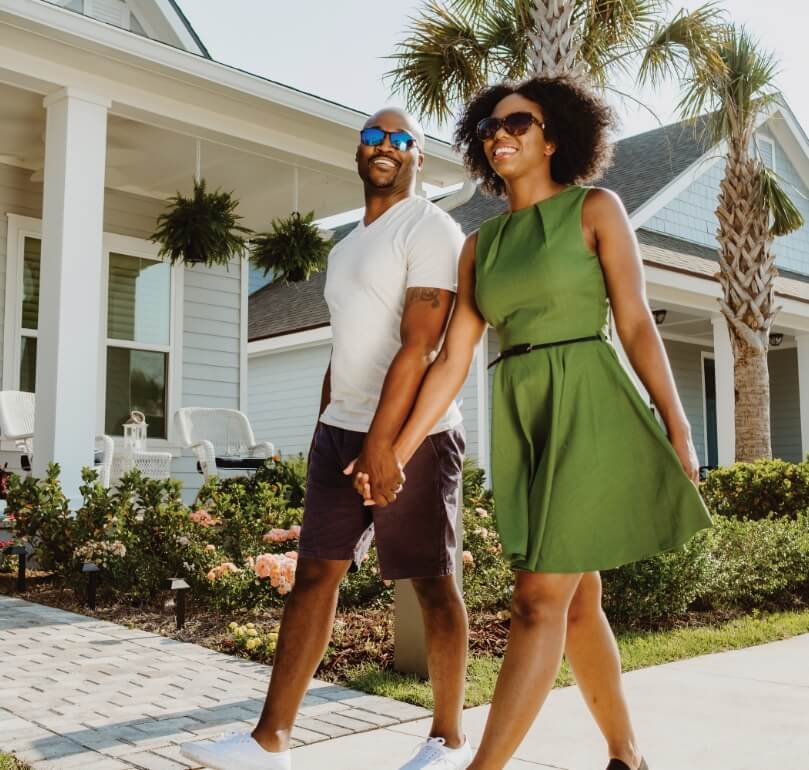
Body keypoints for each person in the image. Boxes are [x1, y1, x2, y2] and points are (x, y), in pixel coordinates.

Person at [353, 77, 712, 770]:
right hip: (523, 411)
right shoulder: (478, 248)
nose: (500, 133)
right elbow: (453, 357)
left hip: (590, 404)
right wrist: (395, 448)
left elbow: (635, 323)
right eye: (489, 127)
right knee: (576, 606)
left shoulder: (595, 210)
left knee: (535, 601)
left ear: (553, 139)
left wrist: (677, 424)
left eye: (518, 121)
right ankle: (626, 758)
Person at [181, 106, 473, 770]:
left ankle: (449, 740)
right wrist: (325, 426)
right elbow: (346, 348)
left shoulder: (431, 228)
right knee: (313, 576)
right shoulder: (345, 247)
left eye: (402, 140)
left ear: (418, 158)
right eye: (373, 137)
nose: (385, 147)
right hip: (339, 434)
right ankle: (269, 740)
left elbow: (420, 344)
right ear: (357, 153)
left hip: (415, 436)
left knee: (430, 582)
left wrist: (382, 442)